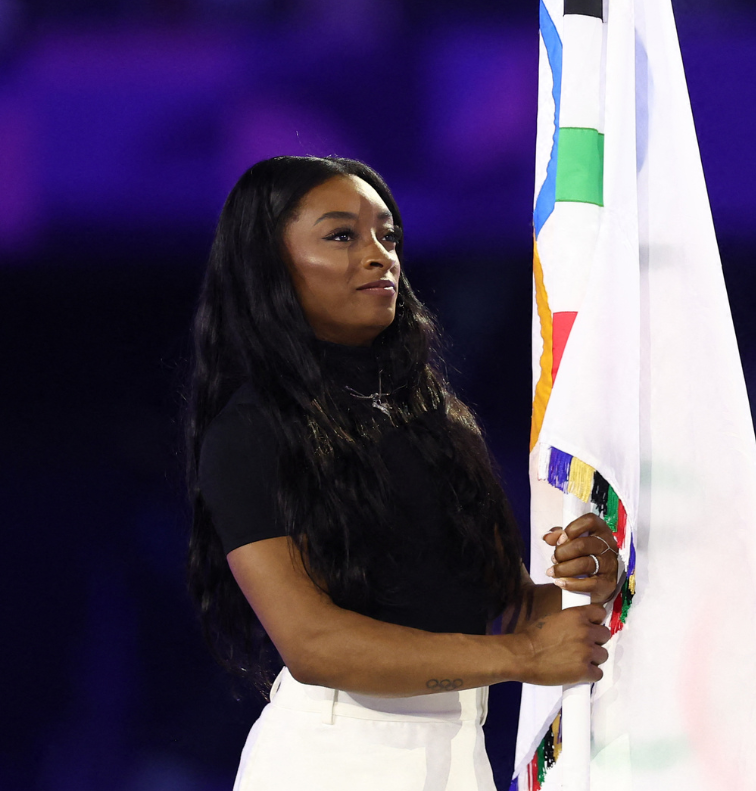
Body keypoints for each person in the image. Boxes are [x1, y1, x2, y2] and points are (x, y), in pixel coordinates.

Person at [186, 155, 621, 789]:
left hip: (460, 753)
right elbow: (313, 644)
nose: (379, 256)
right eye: (342, 235)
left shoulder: (441, 421)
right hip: (335, 758)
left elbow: (509, 607)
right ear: (268, 266)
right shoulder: (252, 430)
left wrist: (589, 585)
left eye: (387, 236)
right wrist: (525, 656)